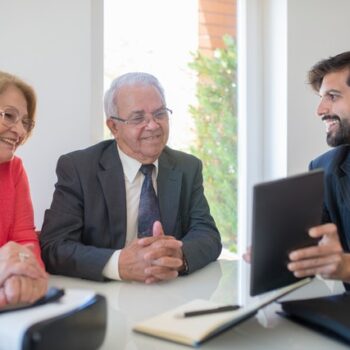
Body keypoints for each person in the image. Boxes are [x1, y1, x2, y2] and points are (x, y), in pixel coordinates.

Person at [40, 72, 221, 283]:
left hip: (168, 293)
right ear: (114, 127)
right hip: (105, 298)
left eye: (160, 113)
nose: (153, 125)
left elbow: (207, 234)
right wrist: (118, 264)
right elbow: (55, 246)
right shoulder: (78, 168)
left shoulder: (187, 167)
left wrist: (177, 256)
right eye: (138, 118)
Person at [287, 51, 350, 286]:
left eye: (332, 96)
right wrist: (279, 253)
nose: (320, 110)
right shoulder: (324, 168)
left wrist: (346, 266)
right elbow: (310, 241)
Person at [0, 71, 48, 306]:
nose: (19, 132)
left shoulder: (15, 169)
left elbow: (25, 239)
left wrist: (23, 276)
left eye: (25, 122)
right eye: (9, 116)